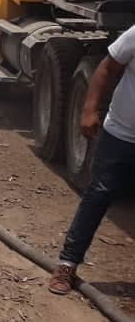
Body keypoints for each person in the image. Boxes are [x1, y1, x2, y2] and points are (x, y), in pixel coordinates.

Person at [48, 29, 135, 295]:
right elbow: (107, 68)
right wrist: (89, 108)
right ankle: (67, 263)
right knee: (98, 194)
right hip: (121, 133)